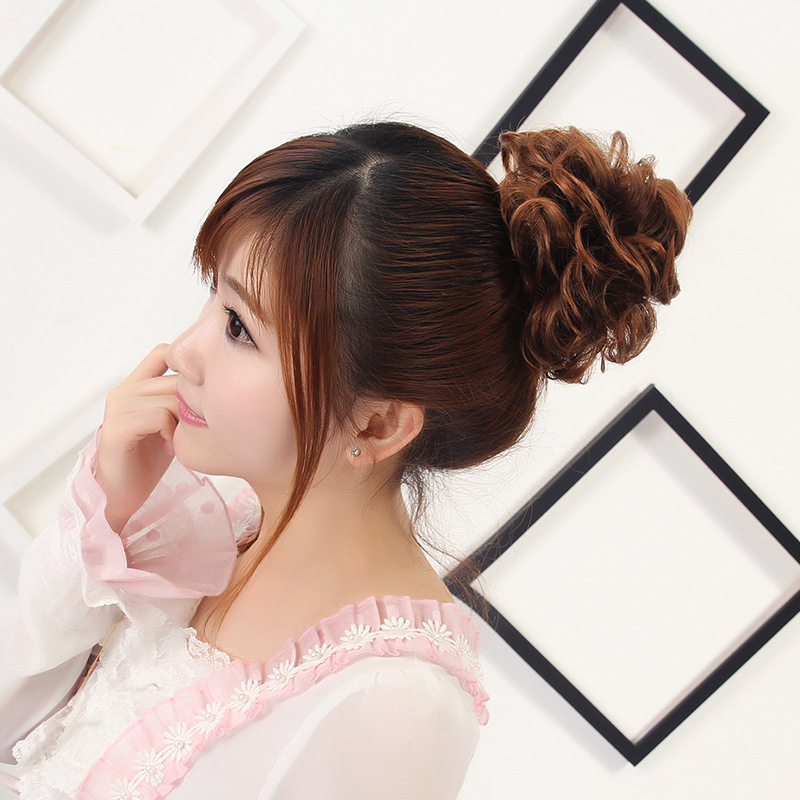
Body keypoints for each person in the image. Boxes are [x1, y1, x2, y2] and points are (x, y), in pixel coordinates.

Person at [0, 121, 691, 799]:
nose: (182, 350)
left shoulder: (393, 708)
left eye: (239, 327)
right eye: (213, 293)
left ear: (378, 424)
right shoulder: (208, 527)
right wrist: (103, 516)